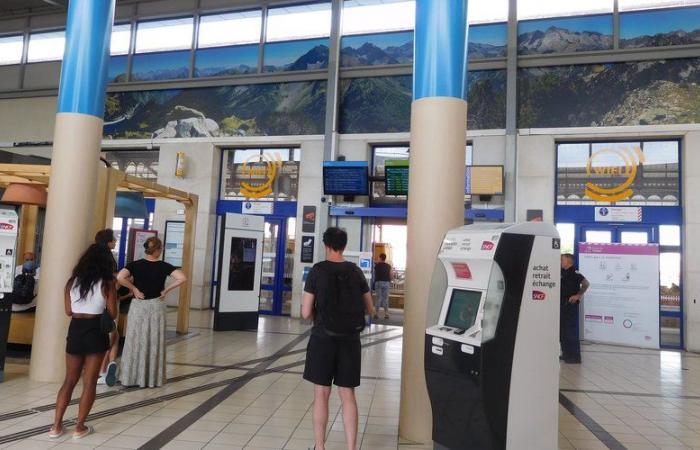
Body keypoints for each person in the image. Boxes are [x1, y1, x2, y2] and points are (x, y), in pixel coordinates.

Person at [302, 227, 374, 450]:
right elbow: (370, 309)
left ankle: (320, 447)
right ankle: (352, 448)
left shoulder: (318, 271)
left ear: (325, 245)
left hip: (322, 338)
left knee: (321, 394)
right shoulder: (355, 271)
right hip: (350, 340)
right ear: (343, 245)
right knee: (348, 394)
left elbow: (305, 313)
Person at [49, 244, 117, 440]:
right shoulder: (107, 282)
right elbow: (112, 313)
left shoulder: (72, 282)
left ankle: (56, 426)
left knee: (69, 380)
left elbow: (68, 311)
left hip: (76, 329)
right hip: (95, 330)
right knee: (89, 382)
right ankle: (79, 427)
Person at [117, 237, 186, 388]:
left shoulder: (135, 265)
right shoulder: (164, 266)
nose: (161, 251)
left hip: (138, 305)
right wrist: (166, 290)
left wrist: (133, 289)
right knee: (154, 340)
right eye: (160, 249)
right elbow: (182, 278)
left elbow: (120, 277)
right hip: (156, 306)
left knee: (135, 339)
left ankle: (131, 376)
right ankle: (151, 378)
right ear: (156, 250)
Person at [94, 229, 119, 386]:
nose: (115, 241)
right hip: (108, 298)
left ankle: (103, 370)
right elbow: (112, 280)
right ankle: (105, 368)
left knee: (108, 335)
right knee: (112, 334)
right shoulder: (109, 259)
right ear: (107, 241)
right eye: (113, 240)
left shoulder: (92, 258)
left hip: (93, 302)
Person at [560, 253, 589, 364]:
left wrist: (578, 295)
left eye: (562, 259)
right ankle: (566, 353)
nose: (560, 262)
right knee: (562, 330)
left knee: (570, 331)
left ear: (569, 261)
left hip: (570, 304)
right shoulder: (561, 272)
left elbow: (586, 284)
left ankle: (575, 357)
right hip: (561, 303)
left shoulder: (575, 274)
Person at [373, 253, 392, 319]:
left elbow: (375, 274)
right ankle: (386, 314)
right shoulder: (388, 266)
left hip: (378, 282)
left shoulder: (377, 266)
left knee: (378, 298)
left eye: (378, 257)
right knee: (385, 299)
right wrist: (390, 280)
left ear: (380, 258)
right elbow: (391, 275)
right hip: (386, 282)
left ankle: (376, 314)